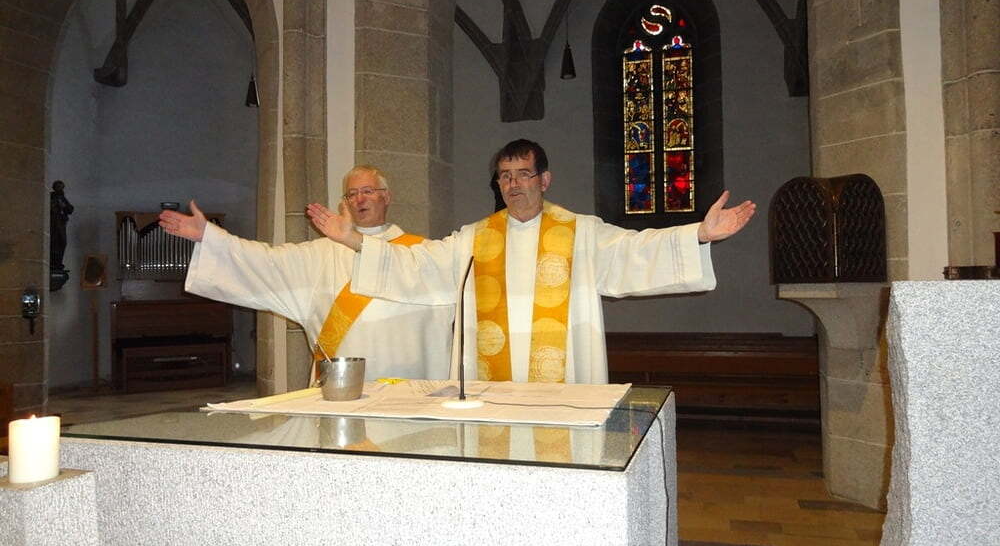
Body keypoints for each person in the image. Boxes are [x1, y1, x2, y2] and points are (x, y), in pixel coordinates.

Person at [306, 140, 756, 384]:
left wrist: (699, 233)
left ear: (544, 179)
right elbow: (421, 265)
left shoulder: (580, 232)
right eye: (505, 176)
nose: (513, 184)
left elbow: (635, 251)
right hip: (492, 385)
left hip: (563, 381)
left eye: (523, 173)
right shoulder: (474, 238)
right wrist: (355, 240)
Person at [159, 165, 454, 380]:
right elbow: (267, 263)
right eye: (352, 194)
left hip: (409, 387)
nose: (360, 200)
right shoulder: (320, 254)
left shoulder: (421, 253)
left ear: (386, 197)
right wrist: (211, 237)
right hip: (343, 390)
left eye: (368, 191)